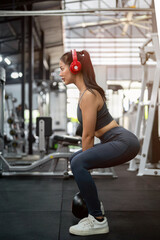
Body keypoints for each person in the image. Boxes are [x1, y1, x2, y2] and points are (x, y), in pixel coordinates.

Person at [59, 49, 140, 236]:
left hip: (122, 141)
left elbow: (88, 136)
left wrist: (86, 165)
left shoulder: (88, 94)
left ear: (75, 67)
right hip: (116, 139)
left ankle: (97, 219)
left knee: (79, 161)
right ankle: (95, 207)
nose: (60, 73)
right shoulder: (85, 93)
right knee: (75, 158)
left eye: (62, 68)